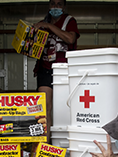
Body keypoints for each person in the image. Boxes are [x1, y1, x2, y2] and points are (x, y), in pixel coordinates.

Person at [33, 0, 79, 128]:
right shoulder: (42, 23)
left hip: (63, 70)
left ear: (64, 7)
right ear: (49, 6)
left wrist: (49, 26)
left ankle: (63, 139)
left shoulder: (69, 21)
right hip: (45, 69)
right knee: (44, 109)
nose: (56, 7)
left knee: (63, 107)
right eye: (53, 4)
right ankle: (46, 144)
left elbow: (70, 39)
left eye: (59, 4)